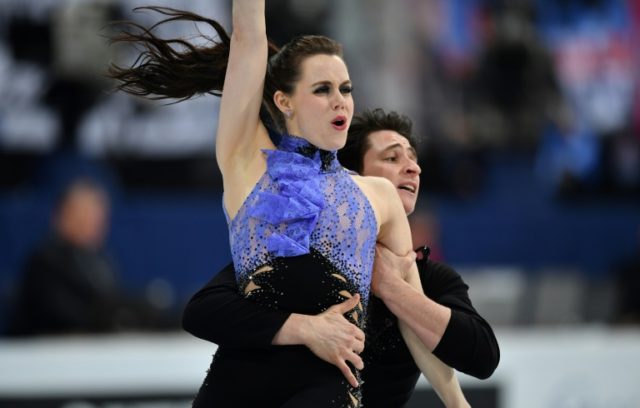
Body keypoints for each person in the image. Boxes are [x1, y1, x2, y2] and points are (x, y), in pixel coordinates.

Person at [109, 3, 461, 407]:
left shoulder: (378, 196)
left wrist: (456, 402)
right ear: (285, 100)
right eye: (322, 89)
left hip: (325, 387)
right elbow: (248, 37)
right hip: (238, 382)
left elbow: (412, 318)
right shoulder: (249, 163)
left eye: (345, 89)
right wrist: (306, 329)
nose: (340, 101)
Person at [183, 109, 500, 407]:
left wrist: (392, 288)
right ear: (353, 180)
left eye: (414, 159)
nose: (412, 167)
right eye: (392, 157)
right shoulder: (302, 248)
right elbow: (205, 310)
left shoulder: (431, 278)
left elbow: (482, 357)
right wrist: (306, 328)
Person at [6, 178, 159, 336]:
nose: (95, 223)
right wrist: (118, 318)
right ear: (62, 216)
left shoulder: (100, 260)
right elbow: (68, 315)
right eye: (85, 215)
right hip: (42, 351)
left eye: (99, 216)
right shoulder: (45, 262)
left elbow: (111, 301)